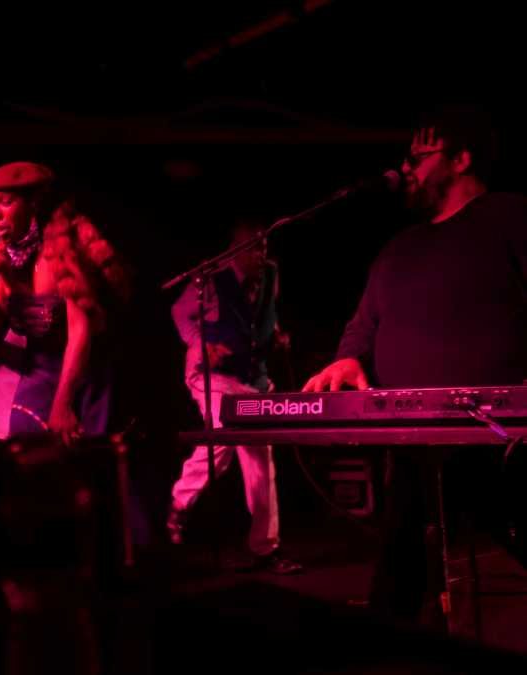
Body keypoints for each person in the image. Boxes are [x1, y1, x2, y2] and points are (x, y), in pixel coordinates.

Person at [303, 105, 527, 624]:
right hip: (414, 444)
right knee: (399, 574)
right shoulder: (399, 248)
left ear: (461, 158)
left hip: (500, 437)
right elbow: (362, 326)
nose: (404, 168)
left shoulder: (510, 216)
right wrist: (347, 360)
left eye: (417, 157)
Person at [0, 161, 130, 446]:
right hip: (40, 369)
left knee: (87, 458)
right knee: (26, 448)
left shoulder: (60, 251)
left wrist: (63, 403)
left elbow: (80, 330)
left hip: (83, 371)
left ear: (33, 203)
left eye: (6, 203)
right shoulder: (0, 257)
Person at [166, 220, 302, 574]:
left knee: (259, 457)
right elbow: (179, 313)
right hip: (213, 376)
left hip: (251, 379)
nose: (260, 254)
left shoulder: (270, 274)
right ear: (235, 251)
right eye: (253, 248)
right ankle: (180, 502)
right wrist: (200, 343)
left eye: (263, 247)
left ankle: (264, 547)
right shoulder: (212, 279)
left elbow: (263, 315)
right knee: (225, 431)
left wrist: (277, 334)